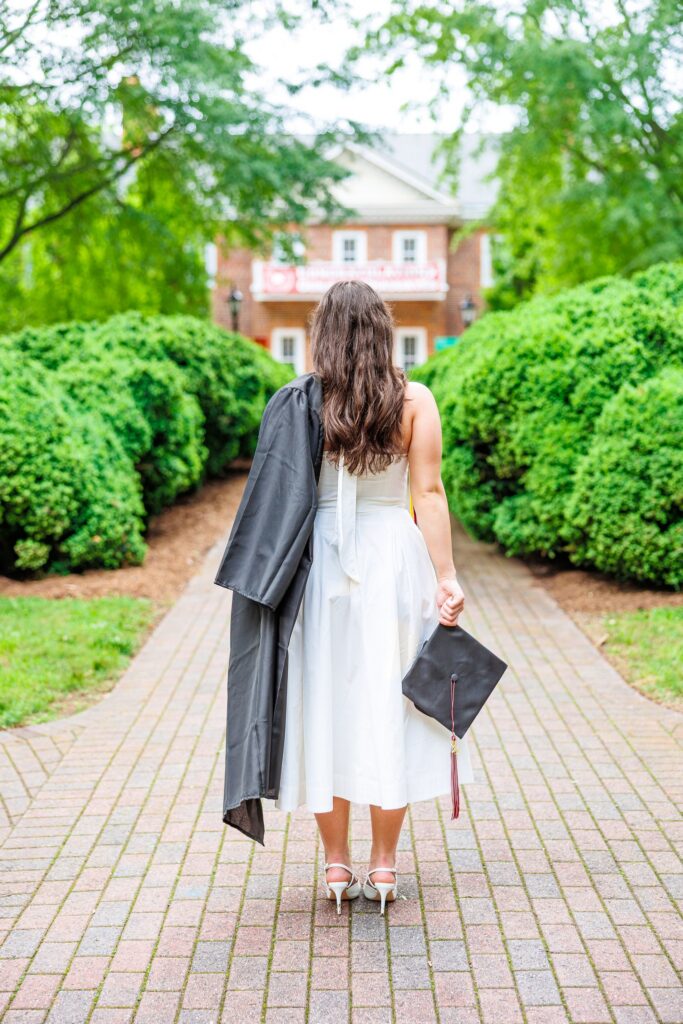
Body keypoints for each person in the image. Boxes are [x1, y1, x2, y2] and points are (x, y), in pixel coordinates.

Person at [274, 280, 475, 914]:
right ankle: (384, 868)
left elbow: (280, 498)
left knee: (325, 700)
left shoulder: (302, 404)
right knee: (394, 701)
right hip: (394, 558)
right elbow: (431, 495)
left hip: (322, 562)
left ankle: (336, 866)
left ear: (323, 334)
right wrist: (446, 577)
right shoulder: (415, 399)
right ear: (384, 331)